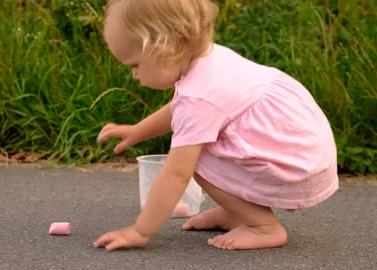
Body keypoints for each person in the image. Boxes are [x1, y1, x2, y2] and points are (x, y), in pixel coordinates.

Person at [93, 0, 339, 251]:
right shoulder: (208, 59)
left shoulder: (198, 97)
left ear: (163, 48)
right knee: (201, 143)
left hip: (295, 166)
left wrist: (139, 231)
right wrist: (138, 130)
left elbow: (176, 175)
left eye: (135, 65)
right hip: (302, 149)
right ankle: (238, 212)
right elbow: (182, 110)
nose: (134, 75)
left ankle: (262, 227)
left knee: (195, 157)